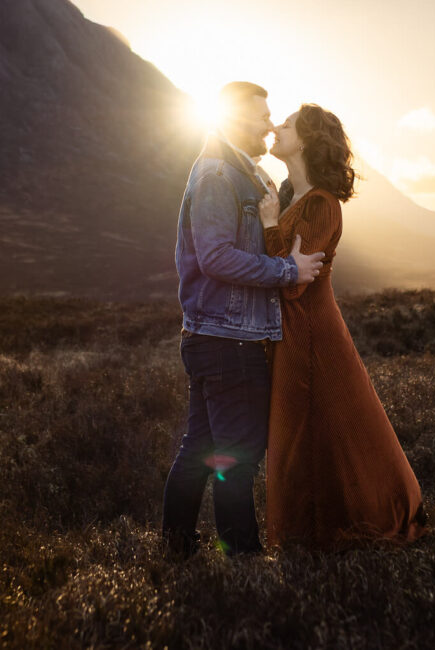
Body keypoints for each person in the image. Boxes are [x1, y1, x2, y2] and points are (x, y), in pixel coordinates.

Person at [163, 82, 326, 558]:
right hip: (228, 339)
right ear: (234, 119)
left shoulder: (247, 172)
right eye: (261, 117)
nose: (269, 124)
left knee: (200, 450)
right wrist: (287, 271)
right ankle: (243, 557)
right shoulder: (218, 174)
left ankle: (176, 551)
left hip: (220, 335)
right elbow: (216, 257)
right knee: (236, 456)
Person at [259, 104, 429, 548]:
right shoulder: (285, 194)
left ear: (308, 141)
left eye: (287, 125)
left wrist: (270, 225)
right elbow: (281, 266)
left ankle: (345, 523)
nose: (275, 128)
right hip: (287, 334)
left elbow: (292, 283)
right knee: (301, 434)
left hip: (312, 334)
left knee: (328, 430)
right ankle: (305, 530)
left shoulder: (322, 205)